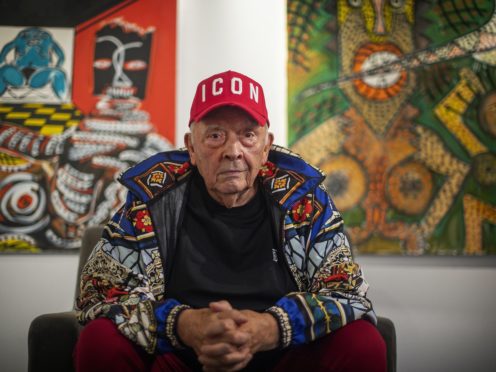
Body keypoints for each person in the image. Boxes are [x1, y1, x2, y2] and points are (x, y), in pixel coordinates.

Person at [74, 70, 386, 371]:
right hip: (181, 359)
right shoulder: (151, 200)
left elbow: (347, 293)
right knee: (99, 341)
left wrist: (270, 327)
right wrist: (183, 325)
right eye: (215, 135)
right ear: (191, 146)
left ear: (265, 146)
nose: (232, 151)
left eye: (248, 135)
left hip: (281, 356)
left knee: (362, 342)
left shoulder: (304, 200)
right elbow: (99, 294)